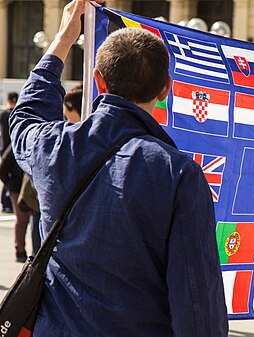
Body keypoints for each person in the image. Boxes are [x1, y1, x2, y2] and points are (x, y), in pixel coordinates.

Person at [9, 0, 228, 335]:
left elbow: (25, 117)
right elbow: (197, 301)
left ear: (99, 81)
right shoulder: (179, 173)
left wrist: (64, 39)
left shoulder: (54, 146)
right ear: (165, 89)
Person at [0, 92, 18, 213]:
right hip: (15, 148)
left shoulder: (4, 114)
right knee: (14, 176)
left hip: (5, 148)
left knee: (6, 174)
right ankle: (9, 202)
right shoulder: (18, 114)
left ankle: (6, 202)